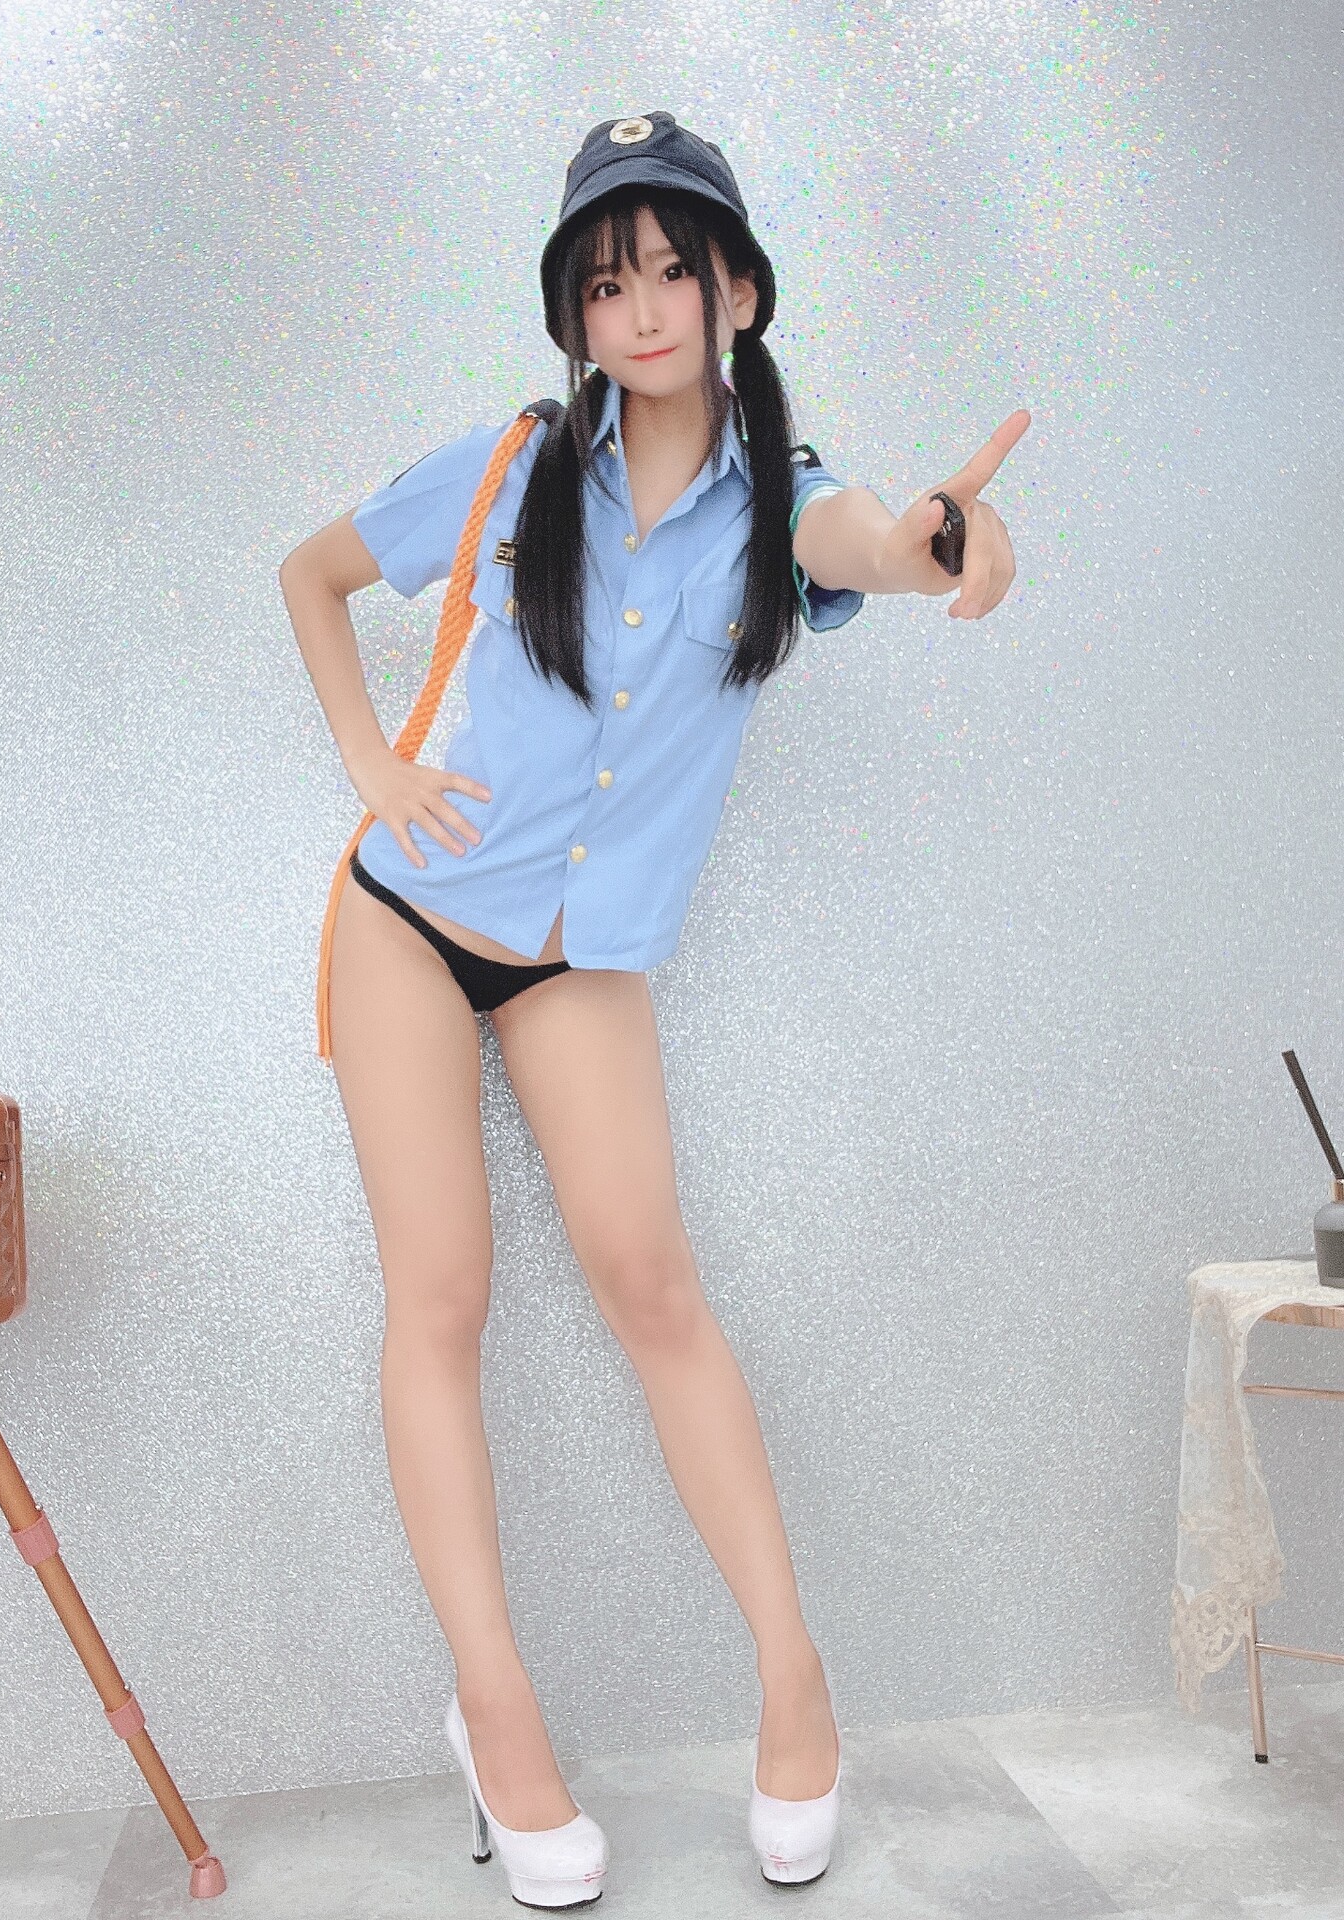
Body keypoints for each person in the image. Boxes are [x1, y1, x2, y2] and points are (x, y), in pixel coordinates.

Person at [278, 108, 1027, 1909]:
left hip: (581, 953)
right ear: (575, 315)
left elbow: (878, 544)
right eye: (605, 283)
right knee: (439, 1296)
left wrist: (949, 541)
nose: (641, 308)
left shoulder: (782, 509)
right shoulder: (512, 466)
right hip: (409, 920)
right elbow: (313, 574)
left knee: (654, 1283)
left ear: (738, 292)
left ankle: (796, 1675)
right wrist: (373, 761)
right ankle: (496, 1707)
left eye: (673, 271)